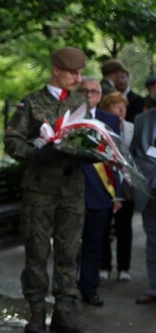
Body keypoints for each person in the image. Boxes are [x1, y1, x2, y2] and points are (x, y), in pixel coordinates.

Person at [4, 46, 94, 333]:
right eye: (72, 73)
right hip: (40, 190)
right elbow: (12, 141)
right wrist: (36, 153)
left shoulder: (80, 103)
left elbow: (89, 138)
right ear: (56, 70)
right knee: (37, 253)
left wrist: (90, 152)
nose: (77, 79)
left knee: (69, 253)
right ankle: (36, 313)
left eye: (80, 73)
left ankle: (64, 314)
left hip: (72, 190)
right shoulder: (32, 103)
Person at [76, 78, 120, 307]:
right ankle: (67, 290)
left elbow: (117, 159)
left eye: (93, 91)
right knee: (69, 246)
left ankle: (89, 288)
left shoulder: (109, 120)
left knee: (94, 245)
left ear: (100, 96)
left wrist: (117, 193)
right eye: (84, 90)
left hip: (101, 191)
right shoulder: (68, 118)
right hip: (71, 190)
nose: (88, 95)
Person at [99, 91, 135, 282]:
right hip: (105, 182)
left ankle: (124, 267)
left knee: (124, 228)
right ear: (107, 109)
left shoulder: (131, 128)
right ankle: (104, 265)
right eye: (116, 107)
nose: (121, 111)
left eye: (124, 107)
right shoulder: (100, 128)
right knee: (104, 227)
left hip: (126, 183)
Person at [130, 108, 156, 304]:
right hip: (149, 190)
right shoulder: (141, 119)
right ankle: (153, 288)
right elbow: (132, 154)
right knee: (153, 242)